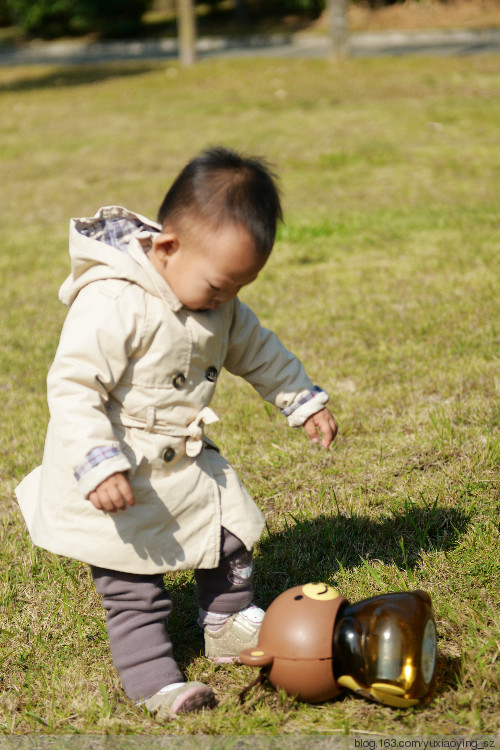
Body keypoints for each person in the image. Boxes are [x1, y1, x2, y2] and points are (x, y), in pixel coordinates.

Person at [16, 146, 338, 720]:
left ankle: (225, 622)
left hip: (184, 462)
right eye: (219, 285)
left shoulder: (221, 303)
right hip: (117, 468)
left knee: (230, 534)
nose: (226, 300)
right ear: (166, 247)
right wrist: (98, 462)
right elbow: (74, 388)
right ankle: (154, 681)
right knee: (134, 586)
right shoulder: (114, 300)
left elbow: (261, 352)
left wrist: (301, 401)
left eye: (240, 287)